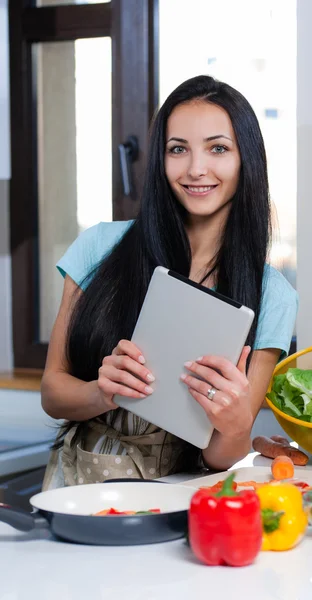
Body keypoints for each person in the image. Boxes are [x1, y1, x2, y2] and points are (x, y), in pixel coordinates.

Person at [41, 75, 298, 490]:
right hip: (74, 487)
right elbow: (52, 392)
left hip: (178, 497)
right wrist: (102, 392)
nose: (196, 169)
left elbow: (219, 458)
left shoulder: (274, 295)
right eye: (178, 149)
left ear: (246, 159)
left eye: (218, 148)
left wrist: (233, 424)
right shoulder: (100, 246)